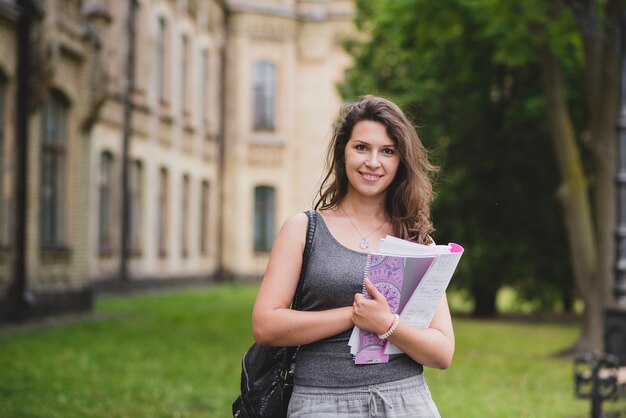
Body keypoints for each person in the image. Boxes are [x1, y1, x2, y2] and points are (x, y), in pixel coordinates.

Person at [251, 95, 454, 417]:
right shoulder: (304, 229)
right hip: (321, 402)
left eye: (387, 151)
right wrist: (354, 314)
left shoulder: (416, 240)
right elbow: (266, 325)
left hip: (405, 401)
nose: (373, 162)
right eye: (362, 147)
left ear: (401, 161)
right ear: (342, 152)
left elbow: (442, 352)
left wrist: (386, 324)